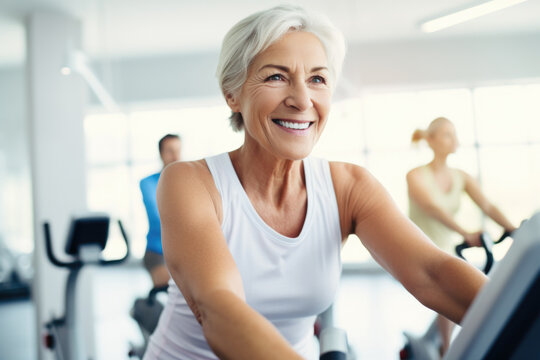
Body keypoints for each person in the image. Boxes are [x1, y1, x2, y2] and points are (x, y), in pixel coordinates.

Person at [144, 6, 488, 360]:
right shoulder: (190, 183)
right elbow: (217, 308)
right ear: (232, 94)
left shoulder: (349, 186)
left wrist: (525, 312)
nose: (302, 100)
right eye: (277, 77)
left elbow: (431, 273)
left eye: (317, 79)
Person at [406, 116, 517, 356]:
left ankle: (446, 346)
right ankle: (449, 351)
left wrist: (514, 229)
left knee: (456, 293)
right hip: (417, 247)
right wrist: (465, 232)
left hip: (446, 249)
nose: (455, 139)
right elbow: (430, 208)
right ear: (432, 140)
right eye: (448, 134)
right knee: (450, 291)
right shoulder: (415, 175)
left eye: (455, 134)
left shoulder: (461, 176)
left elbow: (487, 206)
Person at [140, 134, 181, 288]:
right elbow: (158, 218)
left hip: (183, 252)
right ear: (161, 154)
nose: (176, 156)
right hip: (157, 252)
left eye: (178, 151)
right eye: (170, 151)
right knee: (178, 283)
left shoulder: (187, 182)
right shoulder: (148, 183)